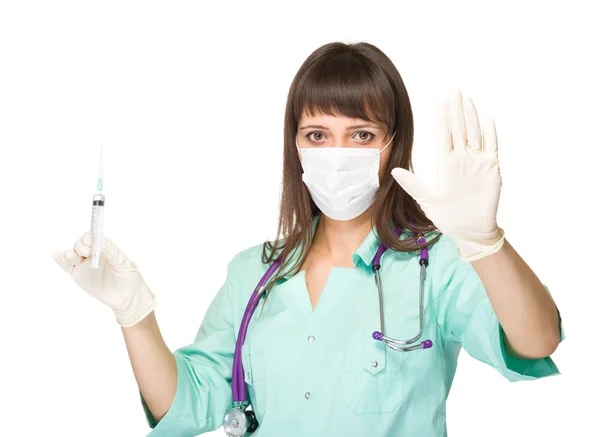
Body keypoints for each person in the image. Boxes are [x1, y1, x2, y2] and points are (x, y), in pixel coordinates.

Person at [52, 42, 564, 437]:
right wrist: (134, 312)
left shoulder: (437, 263)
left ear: (393, 145)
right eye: (317, 135)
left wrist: (486, 242)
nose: (336, 153)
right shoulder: (254, 274)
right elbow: (183, 404)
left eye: (361, 134)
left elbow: (536, 340)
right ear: (295, 146)